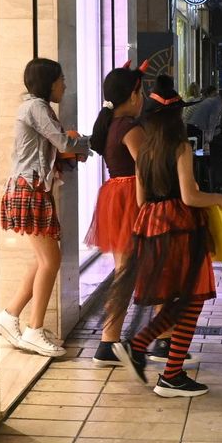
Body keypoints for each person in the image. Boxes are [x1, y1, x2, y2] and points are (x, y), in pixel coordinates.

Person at [103, 83, 222, 398]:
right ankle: (168, 372)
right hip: (181, 228)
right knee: (193, 296)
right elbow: (189, 196)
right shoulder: (180, 147)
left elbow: (139, 198)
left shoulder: (145, 150)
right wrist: (219, 198)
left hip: (150, 225)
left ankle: (143, 351)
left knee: (182, 299)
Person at [0, 57, 90, 357]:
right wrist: (85, 144)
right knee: (51, 260)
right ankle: (34, 330)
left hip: (31, 187)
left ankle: (11, 315)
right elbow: (63, 143)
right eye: (61, 79)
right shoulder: (37, 107)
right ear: (49, 82)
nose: (65, 84)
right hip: (30, 189)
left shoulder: (34, 107)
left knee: (44, 259)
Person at [85, 67, 145, 362]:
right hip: (131, 197)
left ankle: (110, 341)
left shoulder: (113, 125)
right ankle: (110, 341)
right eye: (141, 91)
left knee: (126, 271)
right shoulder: (129, 128)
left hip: (116, 196)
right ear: (133, 95)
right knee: (128, 272)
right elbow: (148, 169)